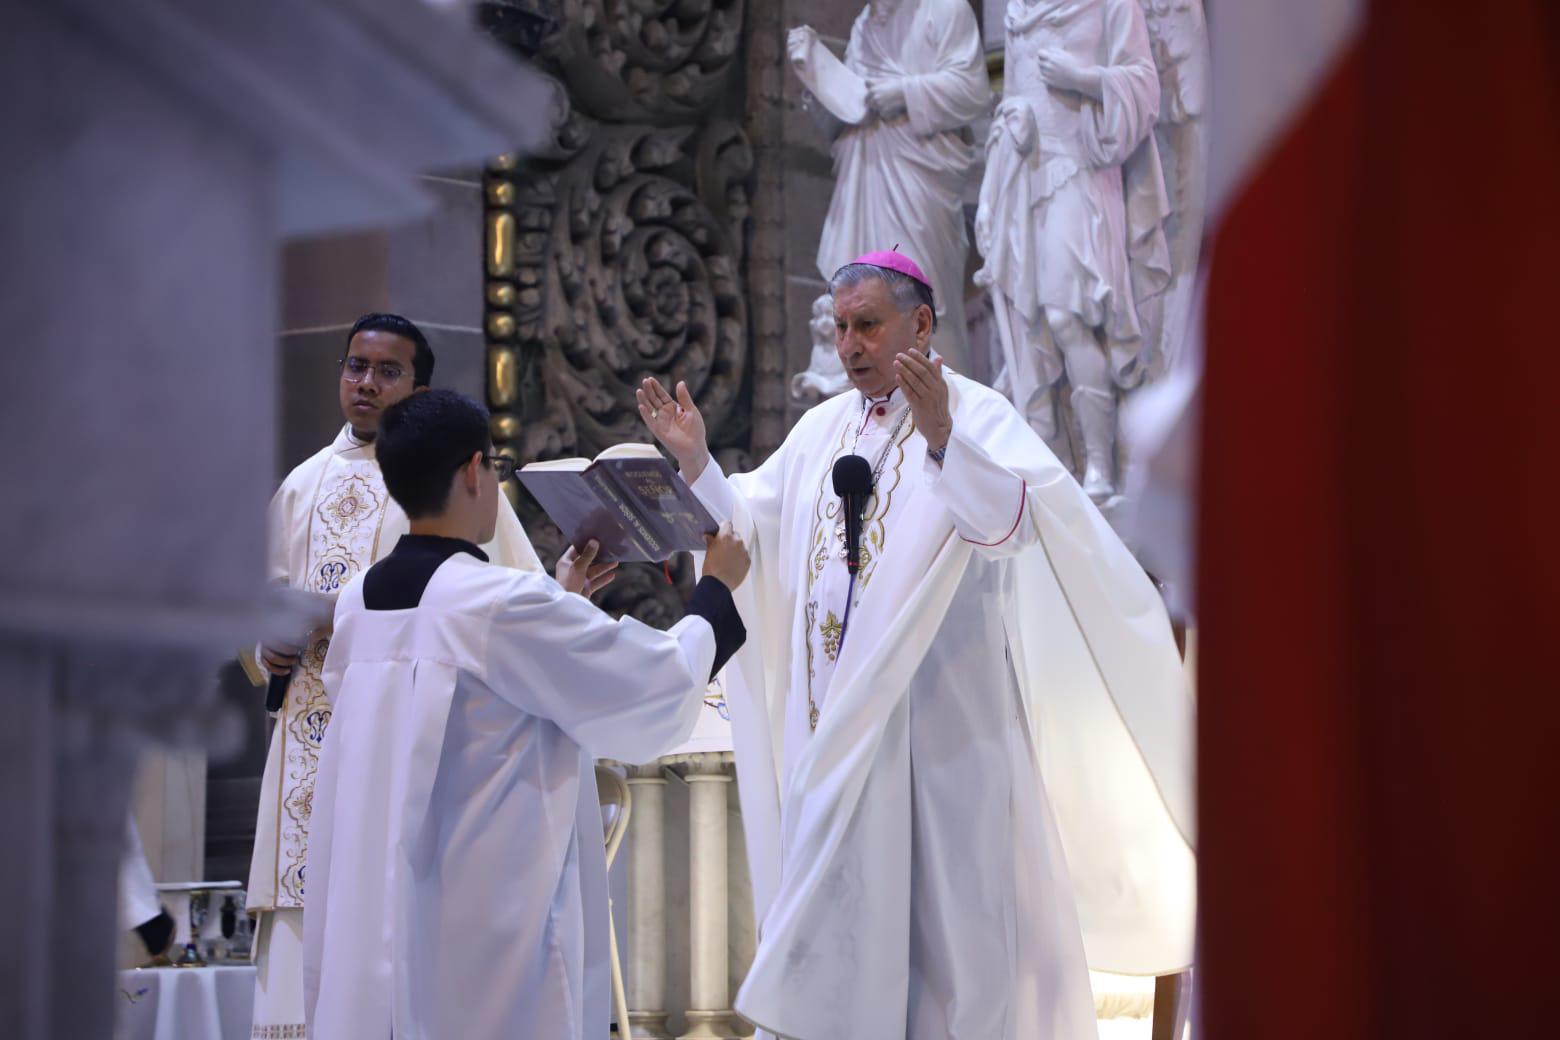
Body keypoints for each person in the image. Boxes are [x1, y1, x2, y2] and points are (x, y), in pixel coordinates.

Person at [638, 250, 1195, 1039]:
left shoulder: (980, 413)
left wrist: (943, 440)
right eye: (839, 329)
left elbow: (1010, 529)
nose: (851, 345)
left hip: (944, 724)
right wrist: (695, 459)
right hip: (836, 723)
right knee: (850, 925)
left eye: (867, 325)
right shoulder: (820, 428)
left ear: (921, 324)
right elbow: (750, 531)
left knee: (952, 933)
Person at [301, 390, 750, 1039]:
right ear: (474, 472)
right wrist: (716, 591)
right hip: (480, 928)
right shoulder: (500, 603)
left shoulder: (357, 603)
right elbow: (651, 687)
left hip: (375, 916)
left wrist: (561, 600)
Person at [244, 313, 546, 1038]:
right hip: (311, 748)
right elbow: (258, 606)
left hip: (410, 737)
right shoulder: (301, 486)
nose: (366, 384)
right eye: (356, 367)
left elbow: (514, 598)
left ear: (419, 385)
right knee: (300, 952)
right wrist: (268, 649)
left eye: (387, 371)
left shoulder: (456, 478)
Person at [788, 0, 991, 370]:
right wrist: (818, 82)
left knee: (920, 300)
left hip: (918, 181)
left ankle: (943, 415)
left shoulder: (943, 9)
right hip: (864, 178)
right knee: (859, 300)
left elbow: (972, 91)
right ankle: (868, 415)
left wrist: (902, 93)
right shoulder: (865, 24)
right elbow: (849, 113)